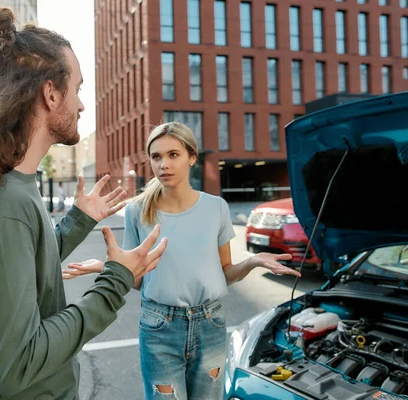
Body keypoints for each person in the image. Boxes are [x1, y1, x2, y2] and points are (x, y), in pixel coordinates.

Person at [0, 7, 167, 400]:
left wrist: (78, 221)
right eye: (78, 89)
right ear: (50, 93)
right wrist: (116, 280)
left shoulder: (4, 184)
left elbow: (23, 265)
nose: (81, 105)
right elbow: (18, 366)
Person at [63, 121, 301, 399]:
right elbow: (138, 279)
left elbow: (225, 273)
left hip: (210, 324)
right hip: (158, 327)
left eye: (173, 155)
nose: (163, 164)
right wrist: (107, 268)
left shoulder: (216, 208)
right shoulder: (137, 212)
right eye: (156, 156)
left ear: (191, 157)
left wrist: (253, 261)